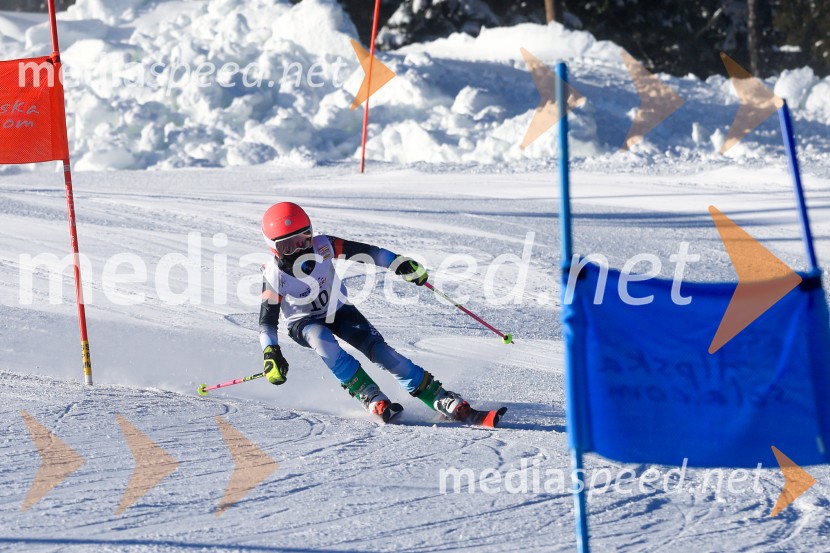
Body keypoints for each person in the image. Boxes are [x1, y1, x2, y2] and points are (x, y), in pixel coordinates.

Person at [258, 201, 474, 423]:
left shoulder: (324, 246)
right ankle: (368, 394)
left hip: (339, 310)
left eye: (303, 239)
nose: (299, 250)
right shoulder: (274, 276)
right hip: (303, 323)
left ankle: (438, 396)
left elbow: (365, 252)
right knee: (321, 339)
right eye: (288, 246)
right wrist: (270, 352)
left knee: (381, 351)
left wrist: (397, 262)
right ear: (274, 248)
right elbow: (267, 321)